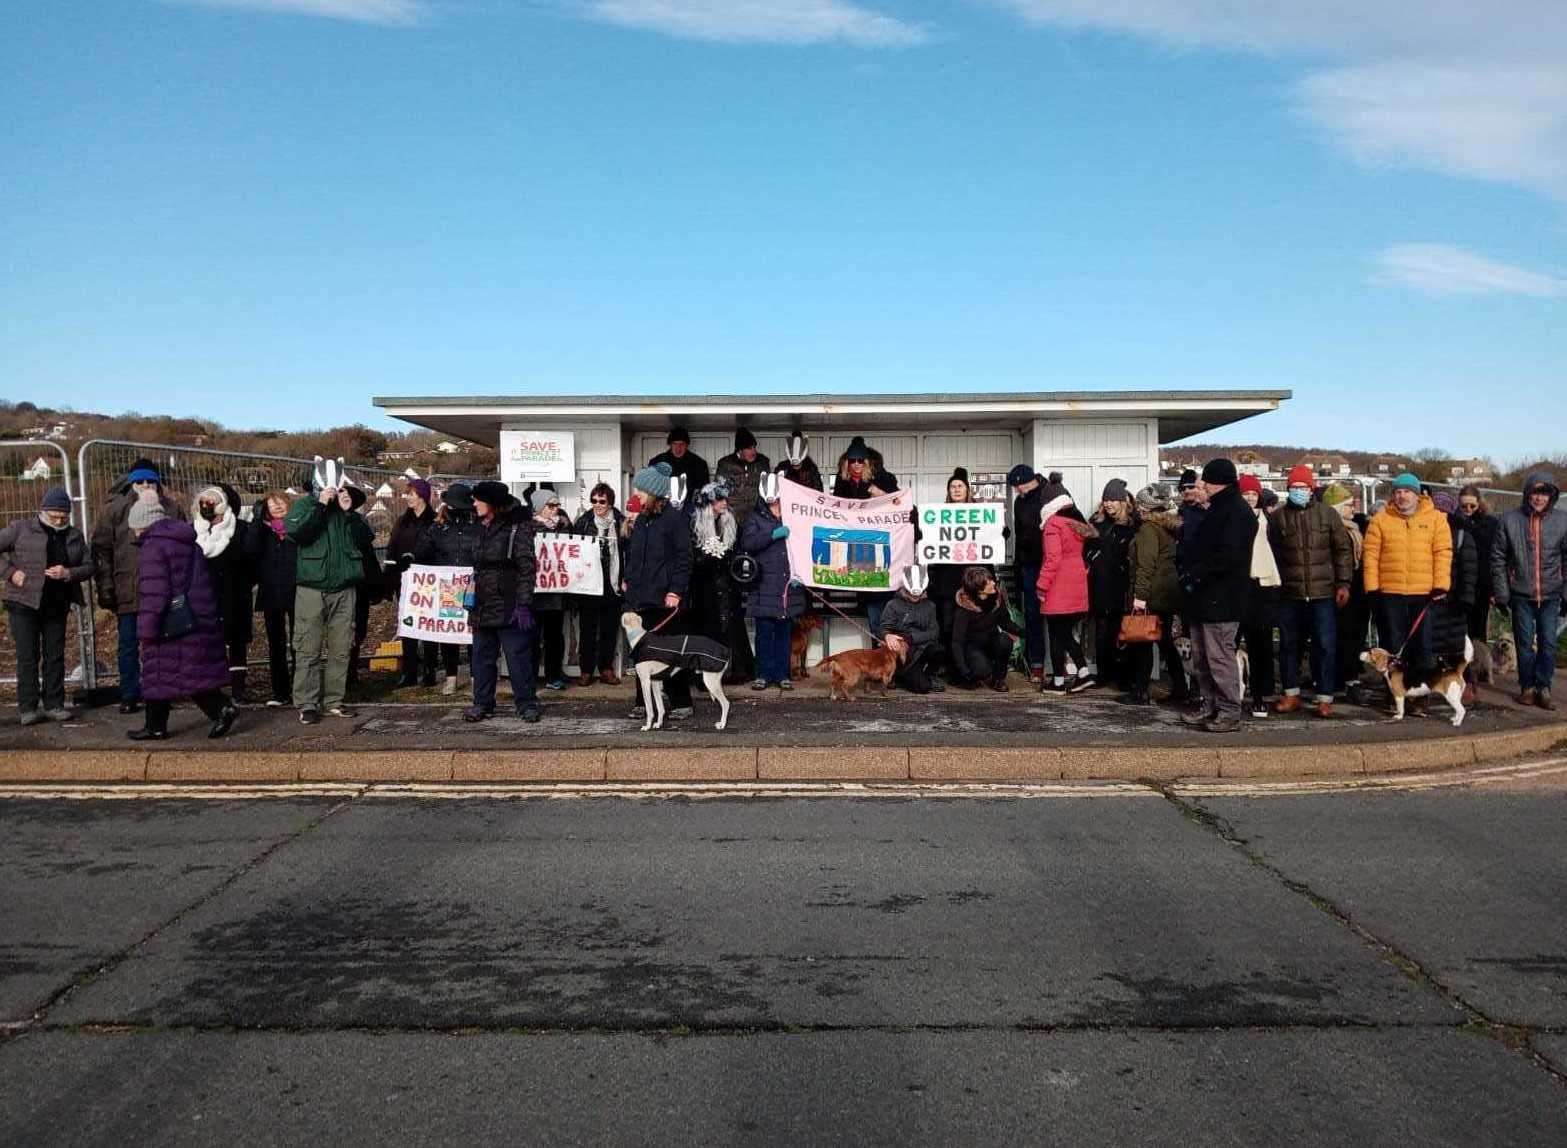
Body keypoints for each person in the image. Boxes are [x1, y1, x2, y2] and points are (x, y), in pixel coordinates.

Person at [125, 499, 238, 741]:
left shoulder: (153, 548)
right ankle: (215, 709)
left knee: (159, 673)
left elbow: (155, 594)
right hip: (196, 616)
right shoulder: (189, 543)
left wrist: (146, 629)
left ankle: (160, 725)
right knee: (189, 673)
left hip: (169, 622)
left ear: (142, 524)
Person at [92, 458, 183, 714]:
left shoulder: (172, 508)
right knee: (128, 644)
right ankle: (130, 693)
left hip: (164, 590)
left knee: (164, 644)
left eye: (150, 481)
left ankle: (164, 691)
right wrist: (106, 586)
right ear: (131, 483)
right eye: (140, 482)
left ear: (158, 483)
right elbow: (101, 550)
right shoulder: (115, 510)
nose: (145, 486)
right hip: (127, 588)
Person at [1, 487, 93, 725]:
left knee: (55, 655)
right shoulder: (20, 529)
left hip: (57, 603)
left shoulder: (74, 536)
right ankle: (28, 707)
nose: (60, 520)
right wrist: (10, 573)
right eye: (54, 516)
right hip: (23, 602)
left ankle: (54, 704)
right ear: (42, 512)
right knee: (27, 656)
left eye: (64, 517)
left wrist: (68, 572)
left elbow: (89, 565)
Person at [1268, 466, 1353, 718]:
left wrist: (1344, 583)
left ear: (1312, 488)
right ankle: (1291, 693)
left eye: (1302, 488)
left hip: (1322, 593)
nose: (1298, 492)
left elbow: (1342, 551)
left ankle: (1325, 698)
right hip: (1289, 594)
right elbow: (1272, 554)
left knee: (1325, 645)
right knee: (1288, 645)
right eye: (1294, 488)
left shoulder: (1328, 515)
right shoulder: (1278, 518)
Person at [1180, 459, 1256, 733]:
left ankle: (1228, 710)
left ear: (1218, 482)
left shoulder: (1235, 512)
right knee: (1203, 657)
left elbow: (1228, 556)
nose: (1202, 485)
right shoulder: (1223, 508)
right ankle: (1210, 705)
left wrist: (1196, 573)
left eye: (1206, 481)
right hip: (1207, 596)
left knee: (1219, 656)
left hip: (1222, 597)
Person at [285, 477, 369, 724]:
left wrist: (350, 512)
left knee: (341, 648)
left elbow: (365, 540)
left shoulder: (347, 510)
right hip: (312, 588)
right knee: (308, 648)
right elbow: (300, 535)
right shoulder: (304, 506)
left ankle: (334, 700)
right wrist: (321, 506)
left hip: (344, 588)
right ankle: (307, 703)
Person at [1363, 473, 1453, 697]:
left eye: (1407, 492)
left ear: (1417, 494)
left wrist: (1441, 585)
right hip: (1390, 593)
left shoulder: (1437, 519)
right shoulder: (1380, 520)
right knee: (1392, 646)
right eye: (1398, 492)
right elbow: (1371, 556)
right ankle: (1395, 693)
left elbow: (1442, 552)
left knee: (1423, 646)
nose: (1402, 496)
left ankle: (1420, 696)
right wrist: (1372, 588)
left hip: (1424, 594)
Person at [622, 462, 695, 717]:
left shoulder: (674, 520)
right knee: (642, 651)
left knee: (669, 651)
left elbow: (684, 558)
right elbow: (634, 554)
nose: (637, 496)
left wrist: (675, 590)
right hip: (639, 595)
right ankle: (643, 702)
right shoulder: (642, 520)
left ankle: (681, 702)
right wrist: (628, 580)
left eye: (641, 491)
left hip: (664, 597)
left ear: (653, 493)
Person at [464, 481, 540, 723]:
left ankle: (527, 703)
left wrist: (524, 603)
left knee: (518, 657)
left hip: (510, 602)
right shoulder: (478, 527)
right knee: (481, 657)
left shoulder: (517, 527)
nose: (474, 504)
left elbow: (527, 568)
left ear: (492, 503)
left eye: (478, 499)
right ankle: (482, 703)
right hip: (483, 603)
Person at [1491, 471, 1567, 710]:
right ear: (1528, 494)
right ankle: (1527, 687)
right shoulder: (1509, 519)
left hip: (1551, 593)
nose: (1539, 498)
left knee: (1548, 643)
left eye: (1544, 493)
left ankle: (1543, 687)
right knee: (1523, 643)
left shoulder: (1563, 521)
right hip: (1521, 593)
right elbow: (1498, 557)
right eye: (1535, 492)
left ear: (1551, 496)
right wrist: (1502, 593)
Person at [1125, 485, 1188, 706]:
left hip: (1152, 594)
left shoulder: (1148, 531)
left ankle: (1140, 691)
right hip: (1168, 594)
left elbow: (1145, 566)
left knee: (1142, 643)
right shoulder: (1168, 529)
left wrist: (1139, 598)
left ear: (1144, 508)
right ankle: (1180, 687)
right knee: (1165, 643)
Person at [190, 484, 253, 705]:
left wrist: (245, 582)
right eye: (203, 502)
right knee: (207, 642)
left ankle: (238, 689)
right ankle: (211, 689)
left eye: (212, 502)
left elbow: (251, 559)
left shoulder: (241, 529)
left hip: (235, 592)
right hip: (204, 594)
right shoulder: (193, 531)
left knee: (237, 642)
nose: (207, 506)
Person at [415, 483, 480, 695]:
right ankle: (451, 677)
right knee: (449, 633)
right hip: (447, 586)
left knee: (472, 632)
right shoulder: (438, 527)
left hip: (472, 585)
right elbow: (424, 550)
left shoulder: (477, 526)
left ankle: (474, 676)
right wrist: (412, 558)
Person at [740, 474, 804, 690]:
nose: (773, 502)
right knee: (765, 631)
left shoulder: (793, 514)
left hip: (787, 583)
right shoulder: (755, 517)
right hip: (764, 583)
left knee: (784, 632)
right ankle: (763, 674)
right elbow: (748, 543)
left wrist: (800, 575)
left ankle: (782, 674)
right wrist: (773, 534)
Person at [833, 436, 901, 634]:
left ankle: (887, 650)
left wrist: (881, 494)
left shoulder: (883, 478)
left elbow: (901, 505)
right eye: (852, 460)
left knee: (882, 600)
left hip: (879, 542)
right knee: (870, 604)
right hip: (856, 546)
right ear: (846, 462)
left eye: (860, 460)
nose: (856, 465)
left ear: (867, 462)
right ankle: (877, 650)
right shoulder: (842, 481)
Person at [689, 479, 753, 684]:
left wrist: (727, 559)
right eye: (719, 499)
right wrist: (705, 557)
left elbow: (738, 550)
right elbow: (690, 555)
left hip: (727, 584)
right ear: (709, 503)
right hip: (705, 585)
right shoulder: (696, 524)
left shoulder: (730, 522)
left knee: (730, 626)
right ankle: (705, 674)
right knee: (707, 627)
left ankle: (734, 670)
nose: (724, 503)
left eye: (725, 498)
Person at [1035, 484, 1095, 693]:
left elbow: (1052, 558)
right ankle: (1082, 673)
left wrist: (1042, 585)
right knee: (1065, 634)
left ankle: (1059, 682)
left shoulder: (1053, 525)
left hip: (1058, 587)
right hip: (1076, 584)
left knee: (1056, 635)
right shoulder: (1074, 523)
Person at [1084, 479, 1138, 694]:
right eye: (1106, 499)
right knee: (1101, 634)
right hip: (1099, 586)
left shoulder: (1134, 526)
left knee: (1123, 634)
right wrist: (1092, 557)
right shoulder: (1096, 524)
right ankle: (1104, 674)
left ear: (1123, 501)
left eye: (1113, 499)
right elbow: (1085, 550)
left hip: (1122, 588)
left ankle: (1123, 676)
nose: (1108, 504)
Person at [570, 482, 625, 687]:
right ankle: (586, 670)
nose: (597, 505)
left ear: (610, 502)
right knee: (588, 628)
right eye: (594, 501)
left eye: (602, 501)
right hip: (589, 582)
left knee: (609, 628)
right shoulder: (584, 522)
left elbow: (627, 551)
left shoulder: (620, 522)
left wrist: (625, 579)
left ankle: (606, 668)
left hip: (612, 581)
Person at [245, 491, 297, 707]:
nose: (276, 506)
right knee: (276, 643)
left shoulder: (296, 528)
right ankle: (279, 691)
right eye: (271, 504)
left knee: (299, 642)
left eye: (280, 502)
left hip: (296, 590)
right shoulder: (262, 531)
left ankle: (300, 688)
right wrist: (257, 521)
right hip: (271, 592)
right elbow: (249, 551)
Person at [929, 468, 982, 676]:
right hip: (948, 581)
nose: (956, 489)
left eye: (960, 486)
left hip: (972, 580)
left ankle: (972, 666)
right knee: (948, 625)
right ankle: (951, 665)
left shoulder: (980, 514)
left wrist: (998, 531)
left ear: (967, 489)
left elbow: (993, 536)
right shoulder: (940, 514)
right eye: (952, 486)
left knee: (971, 626)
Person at [388, 478, 441, 688]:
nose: (408, 497)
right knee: (408, 627)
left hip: (429, 581)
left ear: (423, 496)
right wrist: (391, 577)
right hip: (406, 581)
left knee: (429, 626)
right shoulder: (402, 522)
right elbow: (392, 549)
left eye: (413, 493)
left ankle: (430, 670)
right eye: (407, 493)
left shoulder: (435, 521)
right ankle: (409, 671)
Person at [1237, 475, 1281, 717]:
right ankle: (1230, 693)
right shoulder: (1233, 520)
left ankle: (1260, 694)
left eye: (1254, 494)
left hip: (1263, 584)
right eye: (1246, 494)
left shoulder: (1269, 521)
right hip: (1239, 584)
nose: (1250, 498)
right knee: (1231, 642)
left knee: (1260, 644)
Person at [1322, 483, 1370, 696]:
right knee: (1342, 635)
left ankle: (1347, 675)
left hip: (1355, 589)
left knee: (1352, 634)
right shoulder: (1336, 529)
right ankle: (1341, 677)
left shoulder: (1354, 528)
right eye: (1349, 505)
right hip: (1341, 588)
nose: (1353, 509)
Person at [1430, 492, 1480, 692]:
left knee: (1455, 645)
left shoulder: (1461, 535)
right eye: (1437, 511)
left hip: (1454, 599)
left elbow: (1469, 569)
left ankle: (1462, 685)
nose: (1440, 515)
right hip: (1431, 598)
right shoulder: (1426, 531)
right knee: (1432, 644)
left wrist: (1466, 597)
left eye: (1444, 511)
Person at [527, 488, 573, 691]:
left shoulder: (563, 527)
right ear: (539, 507)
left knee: (555, 636)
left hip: (556, 590)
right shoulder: (528, 528)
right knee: (533, 636)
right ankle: (530, 674)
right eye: (550, 506)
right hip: (536, 591)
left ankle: (554, 673)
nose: (555, 510)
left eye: (557, 506)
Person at [1007, 464, 1049, 681]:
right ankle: (1036, 663)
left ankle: (1060, 661)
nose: (1017, 491)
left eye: (1018, 486)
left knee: (1053, 615)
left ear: (1028, 480)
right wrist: (1017, 562)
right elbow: (1019, 532)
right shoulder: (1019, 502)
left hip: (1048, 563)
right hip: (1028, 565)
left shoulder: (1048, 495)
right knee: (1032, 615)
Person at [950, 566, 1020, 691]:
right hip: (972, 647)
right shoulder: (963, 610)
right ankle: (973, 674)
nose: (993, 583)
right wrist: (963, 669)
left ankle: (999, 679)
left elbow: (1005, 622)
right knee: (981, 670)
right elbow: (957, 642)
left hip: (991, 641)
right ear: (979, 589)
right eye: (989, 582)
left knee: (1005, 641)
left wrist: (1024, 632)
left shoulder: (997, 599)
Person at [342, 485, 384, 689]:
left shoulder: (357, 524)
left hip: (358, 585)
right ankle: (346, 674)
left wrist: (375, 586)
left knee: (356, 630)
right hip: (343, 585)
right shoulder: (352, 523)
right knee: (347, 630)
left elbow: (369, 559)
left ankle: (350, 674)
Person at [878, 564, 943, 694]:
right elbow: (883, 627)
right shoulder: (893, 605)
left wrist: (912, 638)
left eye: (918, 595)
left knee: (939, 650)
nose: (915, 598)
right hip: (901, 652)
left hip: (920, 649)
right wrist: (887, 635)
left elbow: (934, 632)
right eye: (912, 595)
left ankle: (928, 675)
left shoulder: (930, 606)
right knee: (922, 688)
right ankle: (897, 674)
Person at [1457, 485, 1500, 663]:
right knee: (1460, 627)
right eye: (1464, 506)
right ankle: (1463, 665)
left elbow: (1493, 555)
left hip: (1481, 583)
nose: (1467, 510)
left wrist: (1493, 589)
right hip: (1460, 582)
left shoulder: (1490, 523)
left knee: (1479, 627)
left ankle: (1480, 665)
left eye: (1471, 506)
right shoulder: (1454, 521)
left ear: (1479, 504)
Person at [715, 428, 771, 529]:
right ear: (740, 450)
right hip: (732, 517)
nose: (754, 451)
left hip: (756, 516)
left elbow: (769, 488)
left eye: (754, 447)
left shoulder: (762, 462)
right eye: (749, 448)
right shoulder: (725, 464)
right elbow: (719, 491)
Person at [648, 426, 711, 495]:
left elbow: (705, 491)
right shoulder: (656, 462)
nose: (678, 448)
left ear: (687, 445)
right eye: (675, 444)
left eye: (682, 444)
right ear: (670, 444)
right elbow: (650, 488)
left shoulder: (699, 464)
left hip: (690, 504)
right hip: (663, 504)